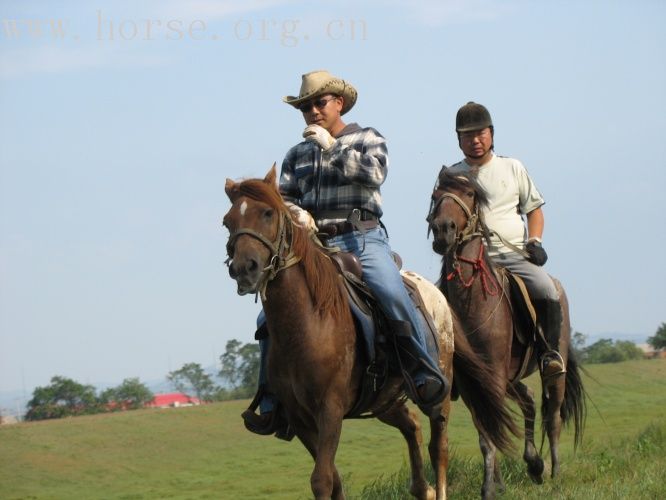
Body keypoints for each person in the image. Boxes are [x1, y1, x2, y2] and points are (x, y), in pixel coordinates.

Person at [242, 70, 449, 437]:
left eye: (319, 103)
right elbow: (284, 198)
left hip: (362, 237)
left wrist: (331, 148)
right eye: (305, 107)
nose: (312, 112)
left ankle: (423, 370)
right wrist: (295, 213)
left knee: (391, 292)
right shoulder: (295, 155)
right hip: (315, 246)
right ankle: (271, 396)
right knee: (266, 317)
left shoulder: (369, 138)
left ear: (339, 103)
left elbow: (374, 175)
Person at [440, 101, 566, 380]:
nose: (475, 140)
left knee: (546, 288)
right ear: (458, 139)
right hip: (468, 262)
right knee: (433, 302)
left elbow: (534, 210)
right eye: (467, 135)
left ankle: (549, 354)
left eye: (480, 133)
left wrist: (535, 240)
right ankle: (443, 368)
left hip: (510, 256)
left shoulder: (513, 167)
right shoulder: (452, 175)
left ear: (492, 134)